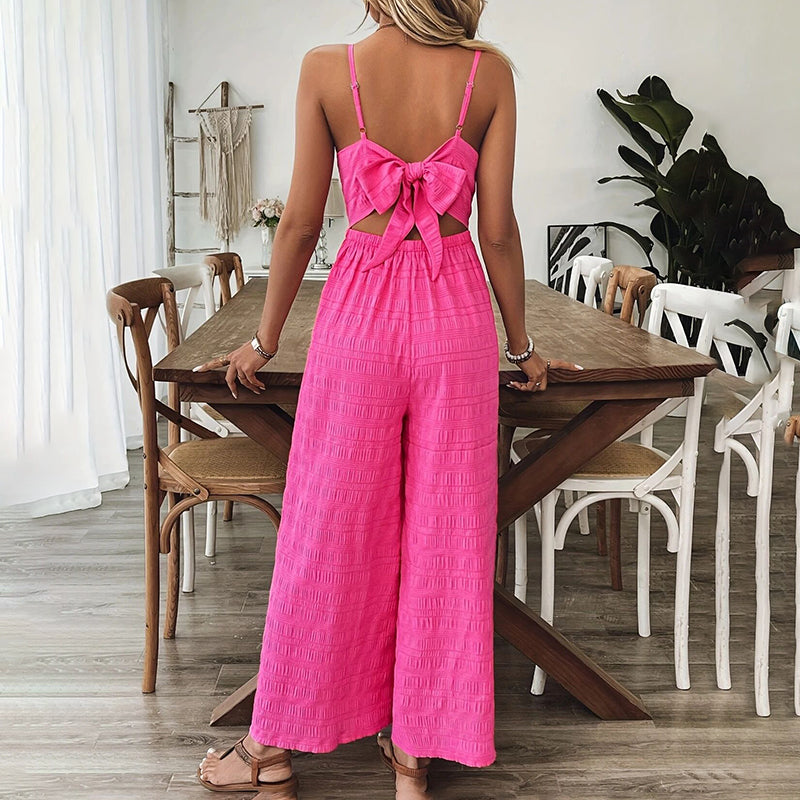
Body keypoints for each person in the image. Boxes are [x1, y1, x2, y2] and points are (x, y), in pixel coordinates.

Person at [197, 1, 579, 798]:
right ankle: (413, 757)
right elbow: (498, 231)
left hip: (359, 318)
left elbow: (301, 224)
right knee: (449, 536)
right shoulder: (490, 74)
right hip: (456, 319)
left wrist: (263, 341)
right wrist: (522, 346)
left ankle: (271, 749)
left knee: (327, 529)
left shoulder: (325, 68)